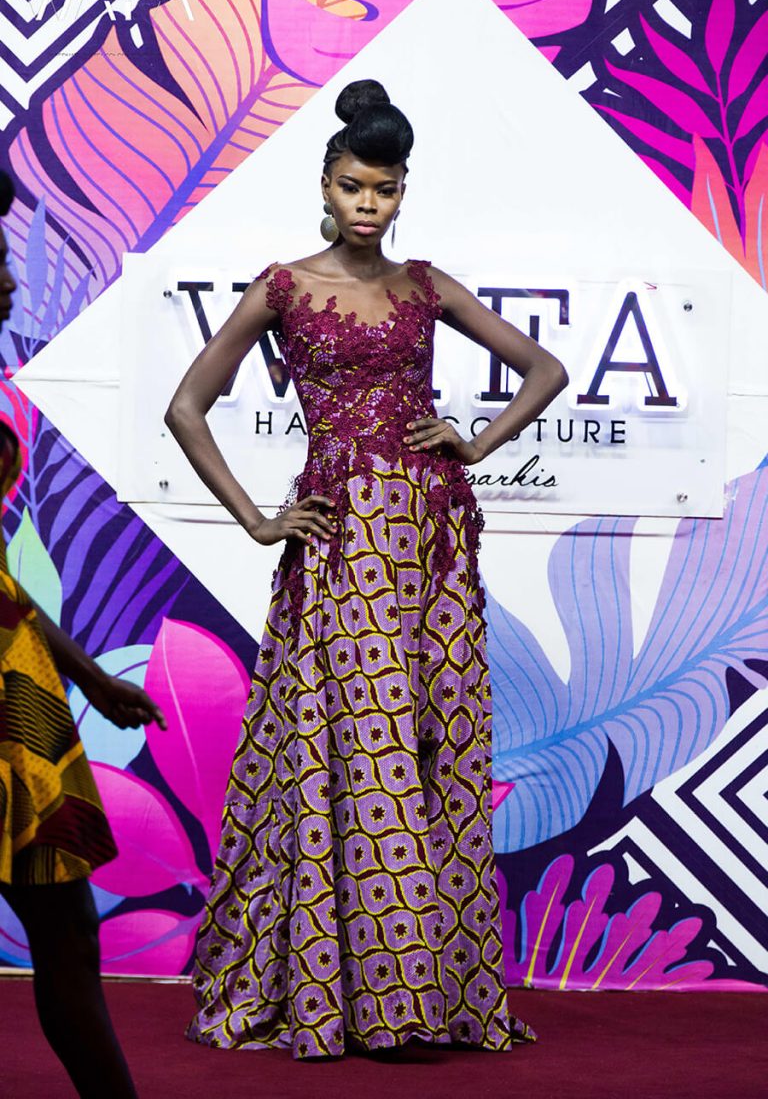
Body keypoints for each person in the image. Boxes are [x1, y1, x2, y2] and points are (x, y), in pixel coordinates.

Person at [167, 79, 568, 1060]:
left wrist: (476, 443)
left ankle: (420, 993)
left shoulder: (425, 286)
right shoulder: (284, 288)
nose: (368, 205)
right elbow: (185, 407)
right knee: (353, 748)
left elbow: (546, 370)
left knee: (432, 747)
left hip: (431, 543)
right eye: (353, 186)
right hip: (342, 544)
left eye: (384, 190)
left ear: (401, 193)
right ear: (325, 185)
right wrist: (259, 520)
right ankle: (353, 996)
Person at [0, 168, 167, 1099]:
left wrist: (91, 678)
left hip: (19, 696)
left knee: (67, 931)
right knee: (65, 933)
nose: (9, 280)